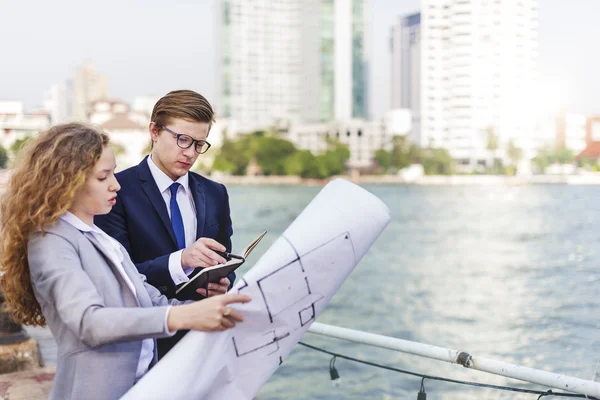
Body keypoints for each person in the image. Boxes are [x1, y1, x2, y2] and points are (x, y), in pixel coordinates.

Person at [0, 123, 251, 400]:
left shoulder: (101, 238)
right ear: (66, 181)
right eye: (103, 177)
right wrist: (184, 316)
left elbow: (151, 300)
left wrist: (220, 311)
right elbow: (88, 322)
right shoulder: (51, 242)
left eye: (114, 173)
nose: (116, 184)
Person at [95, 90, 235, 357]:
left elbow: (224, 260)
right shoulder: (117, 191)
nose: (190, 153)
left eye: (199, 144)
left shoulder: (216, 192)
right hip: (143, 342)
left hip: (205, 339)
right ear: (154, 132)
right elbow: (116, 275)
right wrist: (181, 260)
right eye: (183, 139)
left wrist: (224, 280)